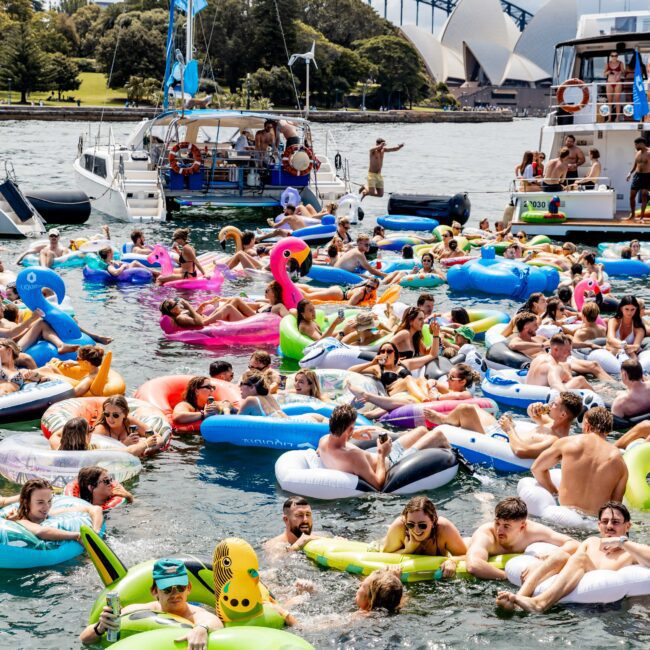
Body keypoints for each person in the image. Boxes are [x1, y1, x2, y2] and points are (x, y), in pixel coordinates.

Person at [496, 501, 650, 612]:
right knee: (561, 555)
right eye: (605, 521)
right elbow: (567, 562)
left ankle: (540, 604)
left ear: (627, 526)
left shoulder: (630, 551)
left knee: (580, 558)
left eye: (616, 522)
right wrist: (542, 562)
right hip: (570, 597)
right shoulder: (591, 542)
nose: (609, 526)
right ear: (598, 525)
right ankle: (516, 600)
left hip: (603, 607)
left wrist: (621, 542)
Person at [80, 558, 223, 647]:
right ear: (154, 591)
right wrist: (100, 627)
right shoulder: (138, 611)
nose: (175, 594)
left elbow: (214, 622)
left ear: (189, 588)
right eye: (167, 589)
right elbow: (85, 640)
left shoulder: (196, 614)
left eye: (180, 587)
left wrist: (201, 629)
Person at [317, 404, 449, 491]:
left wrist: (351, 434)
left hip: (381, 455)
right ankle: (453, 462)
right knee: (438, 435)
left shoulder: (323, 442)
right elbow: (378, 485)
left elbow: (335, 445)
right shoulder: (353, 456)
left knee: (421, 430)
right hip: (392, 462)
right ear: (349, 428)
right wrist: (382, 453)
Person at [530, 407, 628, 516]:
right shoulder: (619, 461)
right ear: (609, 430)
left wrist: (555, 493)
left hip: (563, 515)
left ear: (586, 426)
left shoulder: (567, 443)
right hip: (593, 522)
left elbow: (536, 468)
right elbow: (615, 506)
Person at [465, 497, 579, 580]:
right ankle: (485, 502)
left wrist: (554, 555)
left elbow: (573, 543)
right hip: (472, 534)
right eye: (497, 523)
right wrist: (508, 577)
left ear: (522, 526)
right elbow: (473, 565)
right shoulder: (486, 534)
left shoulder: (533, 531)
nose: (499, 530)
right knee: (485, 516)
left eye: (506, 526)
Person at [379, 496, 466, 577]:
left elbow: (467, 556)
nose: (416, 530)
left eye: (422, 525)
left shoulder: (444, 529)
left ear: (433, 521)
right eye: (410, 525)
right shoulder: (399, 527)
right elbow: (384, 557)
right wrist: (408, 549)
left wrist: (453, 561)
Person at [6, 478, 103, 542]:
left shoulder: (51, 514)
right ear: (26, 502)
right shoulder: (21, 520)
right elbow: (41, 531)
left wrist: (95, 532)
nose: (47, 506)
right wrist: (78, 536)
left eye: (49, 501)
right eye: (40, 502)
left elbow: (95, 508)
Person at [501, 392, 583, 459]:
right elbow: (531, 412)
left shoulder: (555, 441)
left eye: (554, 404)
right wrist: (534, 407)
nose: (550, 404)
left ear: (563, 414)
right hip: (508, 442)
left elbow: (520, 451)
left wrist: (508, 428)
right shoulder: (552, 423)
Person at [526, 332, 611, 389]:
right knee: (580, 379)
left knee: (566, 367)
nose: (570, 354)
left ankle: (599, 388)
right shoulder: (553, 366)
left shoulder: (539, 358)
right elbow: (556, 385)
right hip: (545, 398)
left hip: (528, 393)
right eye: (567, 351)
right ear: (555, 349)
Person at [238, 370, 325, 422]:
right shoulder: (268, 395)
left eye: (242, 383)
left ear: (252, 387)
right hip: (307, 418)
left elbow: (233, 424)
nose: (239, 386)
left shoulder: (250, 400)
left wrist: (226, 409)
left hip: (296, 425)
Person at [90, 397, 164, 456]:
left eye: (115, 415)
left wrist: (151, 448)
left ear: (125, 414)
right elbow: (99, 455)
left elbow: (158, 438)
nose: (110, 418)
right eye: (107, 414)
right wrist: (123, 444)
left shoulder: (129, 422)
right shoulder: (100, 430)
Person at [297, 276, 381, 307]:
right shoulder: (360, 293)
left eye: (372, 288)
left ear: (376, 288)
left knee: (310, 289)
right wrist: (363, 307)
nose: (369, 288)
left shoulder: (372, 292)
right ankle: (290, 287)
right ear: (366, 284)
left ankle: (294, 285)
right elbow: (349, 305)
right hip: (338, 294)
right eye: (368, 286)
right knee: (308, 296)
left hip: (339, 290)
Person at [625, 137, 650, 220]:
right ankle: (632, 215)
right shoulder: (637, 152)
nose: (635, 146)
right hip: (637, 176)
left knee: (644, 196)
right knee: (631, 196)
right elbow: (635, 165)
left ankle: (642, 217)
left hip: (647, 176)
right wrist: (630, 173)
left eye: (636, 144)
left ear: (641, 143)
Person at [603, 51, 624, 122]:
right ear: (610, 56)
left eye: (615, 55)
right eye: (612, 56)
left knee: (617, 100)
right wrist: (609, 72)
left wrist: (619, 73)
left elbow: (624, 72)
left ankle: (617, 118)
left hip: (617, 83)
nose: (614, 57)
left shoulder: (620, 63)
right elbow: (604, 74)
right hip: (609, 83)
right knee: (609, 101)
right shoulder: (608, 64)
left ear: (617, 56)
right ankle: (609, 118)